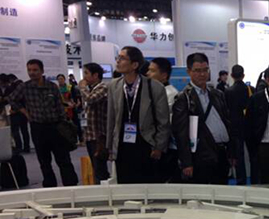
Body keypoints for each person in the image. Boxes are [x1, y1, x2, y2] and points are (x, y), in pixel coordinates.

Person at [106, 46, 170, 184]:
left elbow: (163, 121)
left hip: (146, 145)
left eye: (122, 58)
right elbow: (111, 118)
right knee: (125, 187)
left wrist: (159, 147)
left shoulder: (154, 87)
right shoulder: (114, 86)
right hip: (122, 147)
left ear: (134, 65)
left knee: (147, 188)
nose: (118, 61)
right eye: (118, 57)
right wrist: (110, 147)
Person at [9, 59, 78, 187]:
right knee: (44, 161)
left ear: (42, 71)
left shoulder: (52, 86)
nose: (32, 73)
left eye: (35, 70)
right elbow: (12, 99)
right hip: (38, 128)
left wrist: (64, 124)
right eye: (29, 70)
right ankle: (50, 186)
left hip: (56, 127)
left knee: (63, 159)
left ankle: (71, 185)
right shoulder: (24, 87)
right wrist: (25, 112)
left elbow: (59, 106)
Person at [172, 53, 235, 185]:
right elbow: (181, 133)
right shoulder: (184, 98)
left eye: (205, 70)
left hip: (221, 153)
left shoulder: (217, 94)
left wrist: (232, 152)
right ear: (189, 71)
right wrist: (186, 162)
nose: (202, 74)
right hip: (200, 156)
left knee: (222, 191)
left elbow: (227, 123)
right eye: (197, 70)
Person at [80, 62, 110, 183]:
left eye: (86, 73)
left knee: (99, 167)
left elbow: (90, 99)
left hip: (98, 135)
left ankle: (104, 189)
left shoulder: (103, 87)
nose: (84, 77)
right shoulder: (90, 89)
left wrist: (82, 88)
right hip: (89, 134)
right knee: (95, 165)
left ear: (95, 75)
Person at [225, 64, 255, 185]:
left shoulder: (228, 91)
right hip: (250, 125)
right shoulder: (251, 89)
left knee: (238, 156)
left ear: (232, 75)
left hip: (235, 126)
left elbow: (227, 111)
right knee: (253, 154)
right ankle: (255, 179)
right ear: (243, 75)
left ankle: (240, 180)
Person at [6, 74, 30, 153]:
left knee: (15, 131)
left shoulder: (12, 87)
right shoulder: (24, 85)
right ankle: (27, 147)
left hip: (15, 112)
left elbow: (10, 99)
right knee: (24, 130)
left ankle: (19, 147)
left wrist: (15, 109)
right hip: (24, 111)